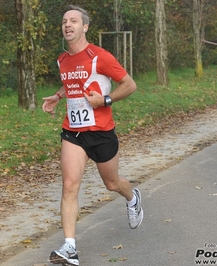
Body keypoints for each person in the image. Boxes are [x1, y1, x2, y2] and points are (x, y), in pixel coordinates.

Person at [42, 5, 143, 266]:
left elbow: (129, 85)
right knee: (69, 186)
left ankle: (132, 197)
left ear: (84, 27)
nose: (67, 25)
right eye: (64, 21)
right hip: (73, 132)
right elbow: (71, 81)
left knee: (112, 184)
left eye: (73, 21)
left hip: (101, 132)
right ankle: (70, 248)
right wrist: (58, 96)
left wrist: (105, 100)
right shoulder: (63, 59)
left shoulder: (100, 56)